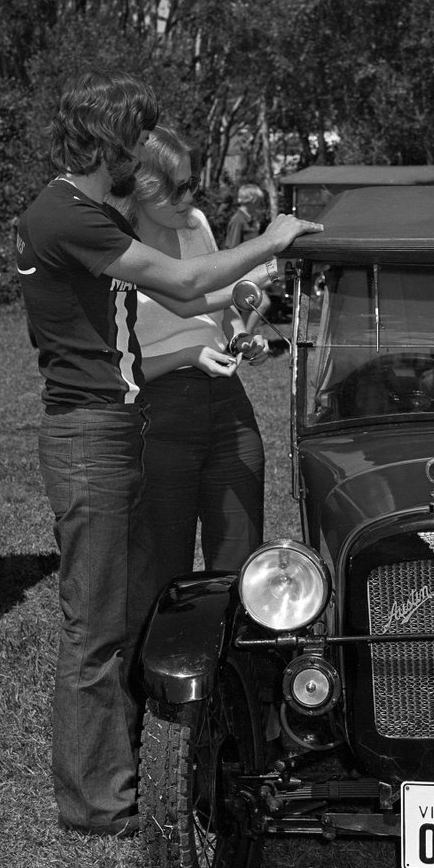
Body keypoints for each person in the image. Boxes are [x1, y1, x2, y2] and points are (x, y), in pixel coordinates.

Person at [14, 70, 321, 837]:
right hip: (91, 430)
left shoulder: (72, 208)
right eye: (137, 137)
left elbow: (186, 297)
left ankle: (116, 781)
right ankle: (98, 803)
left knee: (108, 613)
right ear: (110, 144)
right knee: (99, 623)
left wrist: (248, 282)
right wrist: (271, 238)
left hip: (104, 425)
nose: (144, 156)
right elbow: (182, 278)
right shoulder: (69, 215)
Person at [109, 126, 270, 591]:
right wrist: (187, 353)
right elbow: (110, 360)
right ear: (142, 187)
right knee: (164, 565)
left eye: (191, 183)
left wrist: (240, 338)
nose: (188, 197)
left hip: (226, 402)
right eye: (177, 187)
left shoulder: (197, 224)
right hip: (157, 410)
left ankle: (238, 654)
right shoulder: (115, 244)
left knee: (241, 558)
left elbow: (217, 306)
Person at [225, 184, 272, 334]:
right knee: (262, 303)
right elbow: (232, 249)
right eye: (258, 201)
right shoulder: (238, 220)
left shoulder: (251, 220)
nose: (259, 204)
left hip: (253, 270)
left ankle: (239, 342)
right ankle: (245, 337)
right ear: (251, 200)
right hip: (242, 272)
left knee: (248, 307)